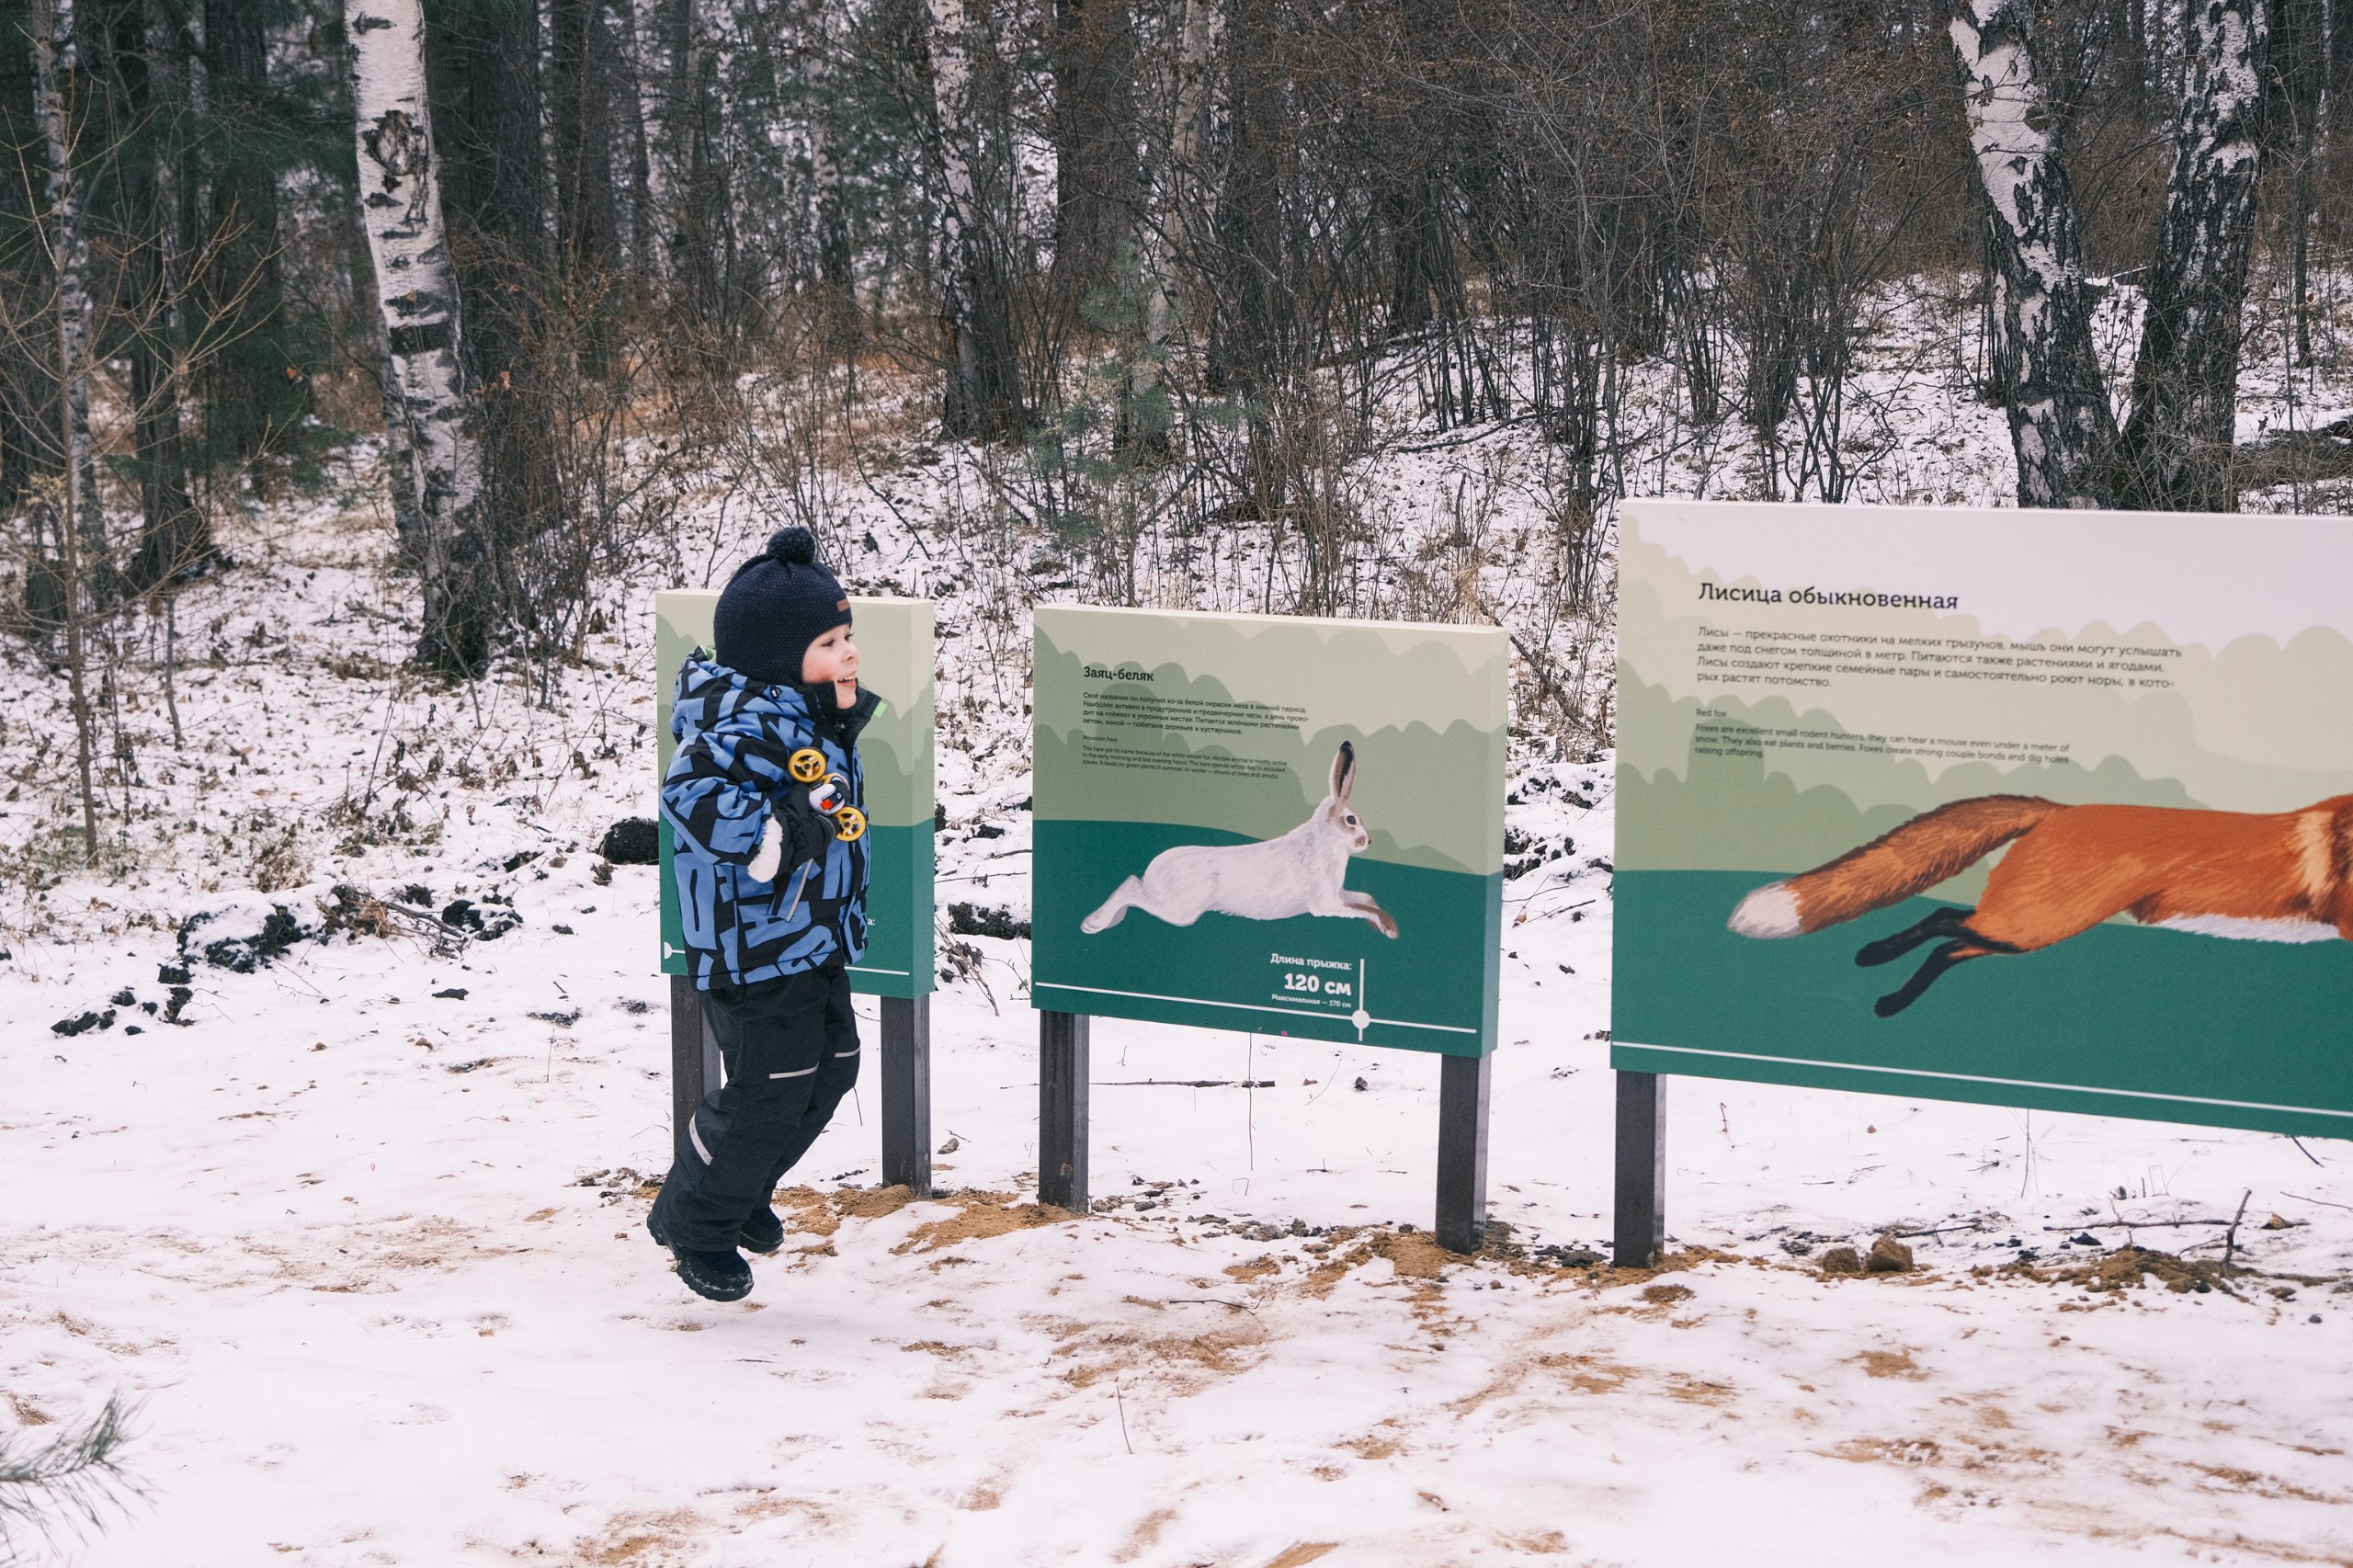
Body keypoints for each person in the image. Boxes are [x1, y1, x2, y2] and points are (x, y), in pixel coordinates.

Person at [647, 526, 875, 1301]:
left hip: (808, 940)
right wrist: (774, 836)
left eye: (848, 637)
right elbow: (688, 794)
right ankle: (696, 1224)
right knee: (771, 1084)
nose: (848, 654)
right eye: (830, 641)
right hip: (753, 949)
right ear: (781, 657)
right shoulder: (741, 722)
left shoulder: (808, 716)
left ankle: (730, 1188)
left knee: (833, 1069)